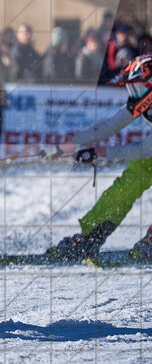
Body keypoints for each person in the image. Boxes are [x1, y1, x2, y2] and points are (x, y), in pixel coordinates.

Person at [45, 55, 152, 261]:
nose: (133, 95)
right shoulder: (142, 102)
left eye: (137, 88)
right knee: (129, 182)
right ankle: (90, 238)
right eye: (131, 89)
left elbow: (144, 149)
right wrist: (63, 147)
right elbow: (108, 126)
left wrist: (100, 153)